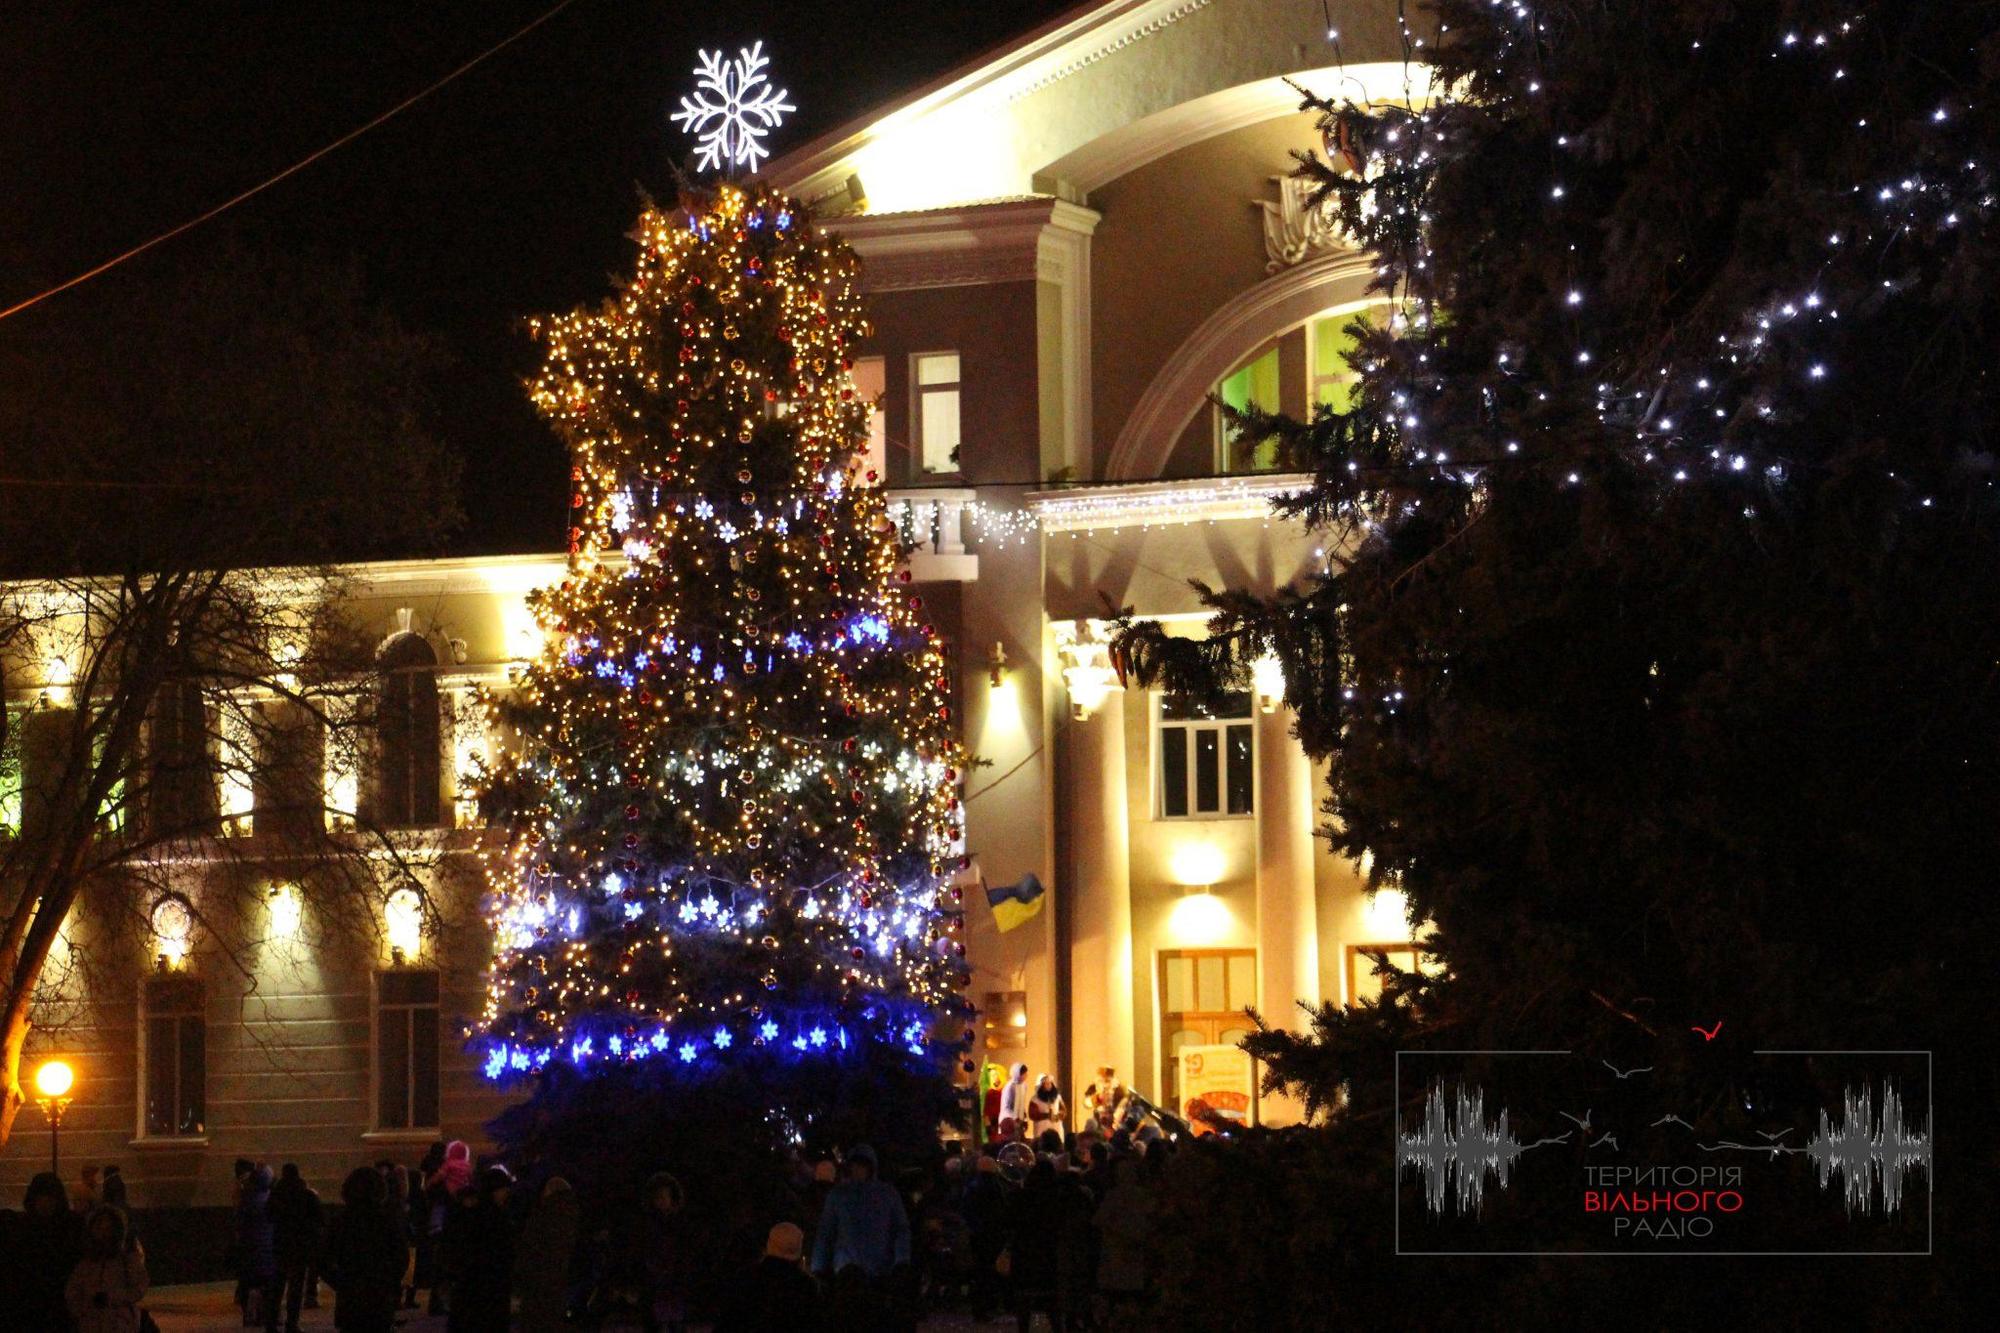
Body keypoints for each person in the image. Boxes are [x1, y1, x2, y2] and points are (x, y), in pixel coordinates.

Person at [323, 1167, 407, 1333]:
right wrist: (389, 1281)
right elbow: (401, 1257)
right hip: (380, 1296)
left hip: (349, 1297)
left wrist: (340, 1282)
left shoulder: (340, 1221)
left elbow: (323, 1259)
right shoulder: (387, 1220)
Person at [811, 1145, 910, 1283]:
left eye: (862, 1165)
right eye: (854, 1165)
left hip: (880, 1272)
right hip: (846, 1272)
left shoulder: (887, 1194)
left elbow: (900, 1230)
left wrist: (901, 1261)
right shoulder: (838, 1196)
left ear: (871, 1167)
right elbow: (825, 1232)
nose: (857, 1169)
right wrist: (818, 1268)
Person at [0, 1172, 84, 1329]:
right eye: (41, 1198)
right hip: (30, 1305)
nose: (46, 1203)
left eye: (50, 1198)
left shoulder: (72, 1228)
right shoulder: (21, 1228)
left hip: (62, 1304)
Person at [442, 1163, 516, 1333]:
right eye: (504, 1189)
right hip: (489, 1285)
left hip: (472, 1284)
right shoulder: (496, 1216)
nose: (506, 1193)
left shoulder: (474, 1213)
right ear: (496, 1190)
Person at [714, 1221, 821, 1332]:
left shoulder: (746, 1279)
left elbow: (727, 1322)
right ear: (799, 1248)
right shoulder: (807, 1287)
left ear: (769, 1244)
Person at [66, 1204, 149, 1333]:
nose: (104, 1233)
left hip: (120, 1325)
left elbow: (139, 1286)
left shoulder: (126, 1261)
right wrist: (86, 1307)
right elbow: (73, 1292)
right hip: (91, 1325)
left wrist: (113, 1298)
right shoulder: (87, 1264)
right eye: (100, 1228)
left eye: (109, 1228)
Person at [514, 1176, 579, 1333]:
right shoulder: (572, 1215)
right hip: (559, 1279)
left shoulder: (543, 1214)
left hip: (538, 1278)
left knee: (536, 1319)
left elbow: (529, 1246)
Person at [268, 1163, 323, 1333]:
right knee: (296, 1287)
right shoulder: (306, 1194)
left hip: (280, 1244)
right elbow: (318, 1219)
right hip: (300, 1246)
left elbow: (268, 1215)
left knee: (277, 1286)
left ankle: (271, 1322)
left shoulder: (276, 1195)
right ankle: (292, 1322)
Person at [236, 1163, 280, 1331]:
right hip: (268, 1246)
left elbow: (239, 1223)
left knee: (250, 1281)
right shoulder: (270, 1199)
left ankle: (250, 1313)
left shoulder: (246, 1199)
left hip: (249, 1247)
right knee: (267, 1283)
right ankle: (265, 1315)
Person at [1085, 1067, 1128, 1136]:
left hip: (1112, 1120)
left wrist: (1117, 1116)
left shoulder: (1119, 1088)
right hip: (1098, 1118)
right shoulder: (1095, 1086)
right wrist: (1096, 1098)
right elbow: (1087, 1103)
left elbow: (1124, 1102)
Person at [1027, 1074, 1067, 1140]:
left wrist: (1059, 1115)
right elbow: (1032, 1114)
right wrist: (1047, 1115)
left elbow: (1063, 1110)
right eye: (1046, 1084)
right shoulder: (1035, 1099)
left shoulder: (1057, 1097)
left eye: (1050, 1083)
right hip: (1041, 1130)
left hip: (1056, 1128)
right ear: (1041, 1086)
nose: (1048, 1085)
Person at [996, 1063, 1030, 1140]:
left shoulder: (1024, 1085)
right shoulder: (1010, 1087)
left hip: (1018, 1119)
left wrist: (1024, 1118)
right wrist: (1014, 1118)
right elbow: (1007, 1105)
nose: (1025, 1076)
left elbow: (1022, 1104)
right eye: (1023, 1074)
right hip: (1008, 1119)